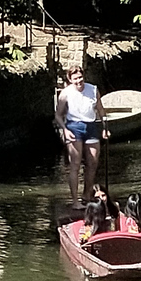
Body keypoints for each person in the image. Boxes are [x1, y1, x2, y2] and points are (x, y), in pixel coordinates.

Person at [54, 65, 109, 209]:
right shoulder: (65, 93)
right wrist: (65, 129)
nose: (79, 81)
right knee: (75, 165)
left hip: (91, 126)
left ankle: (87, 195)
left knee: (92, 162)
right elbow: (58, 115)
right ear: (70, 80)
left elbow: (101, 110)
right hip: (74, 127)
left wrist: (105, 128)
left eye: (80, 77)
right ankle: (75, 201)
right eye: (75, 79)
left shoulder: (93, 89)